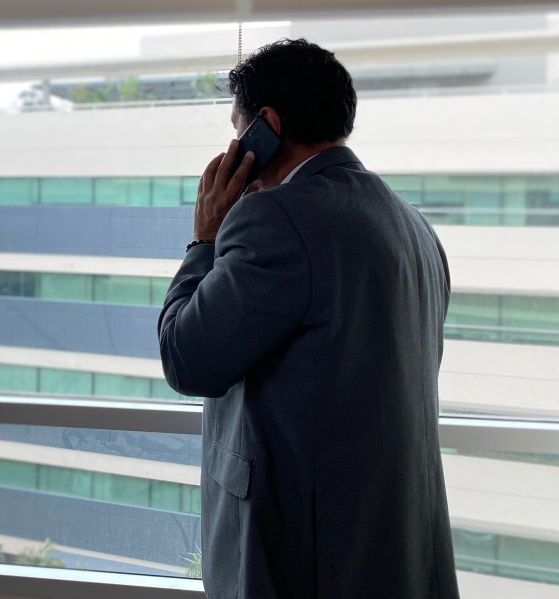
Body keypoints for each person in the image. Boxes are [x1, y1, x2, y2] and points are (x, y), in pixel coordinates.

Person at [157, 39, 460, 599]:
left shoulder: (275, 218)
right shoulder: (414, 227)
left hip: (303, 559)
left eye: (238, 129)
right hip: (395, 550)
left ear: (267, 127)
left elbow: (186, 358)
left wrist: (204, 239)